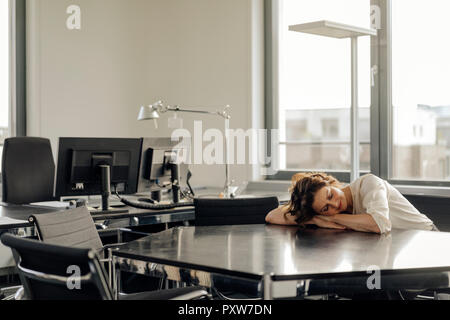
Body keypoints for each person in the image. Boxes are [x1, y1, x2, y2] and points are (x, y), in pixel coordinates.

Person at [265, 172, 437, 234]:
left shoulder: (369, 183)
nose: (335, 205)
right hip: (396, 249)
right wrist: (316, 219)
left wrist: (330, 219)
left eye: (330, 195)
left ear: (330, 183)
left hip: (427, 241)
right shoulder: (325, 214)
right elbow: (272, 216)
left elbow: (379, 224)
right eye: (326, 208)